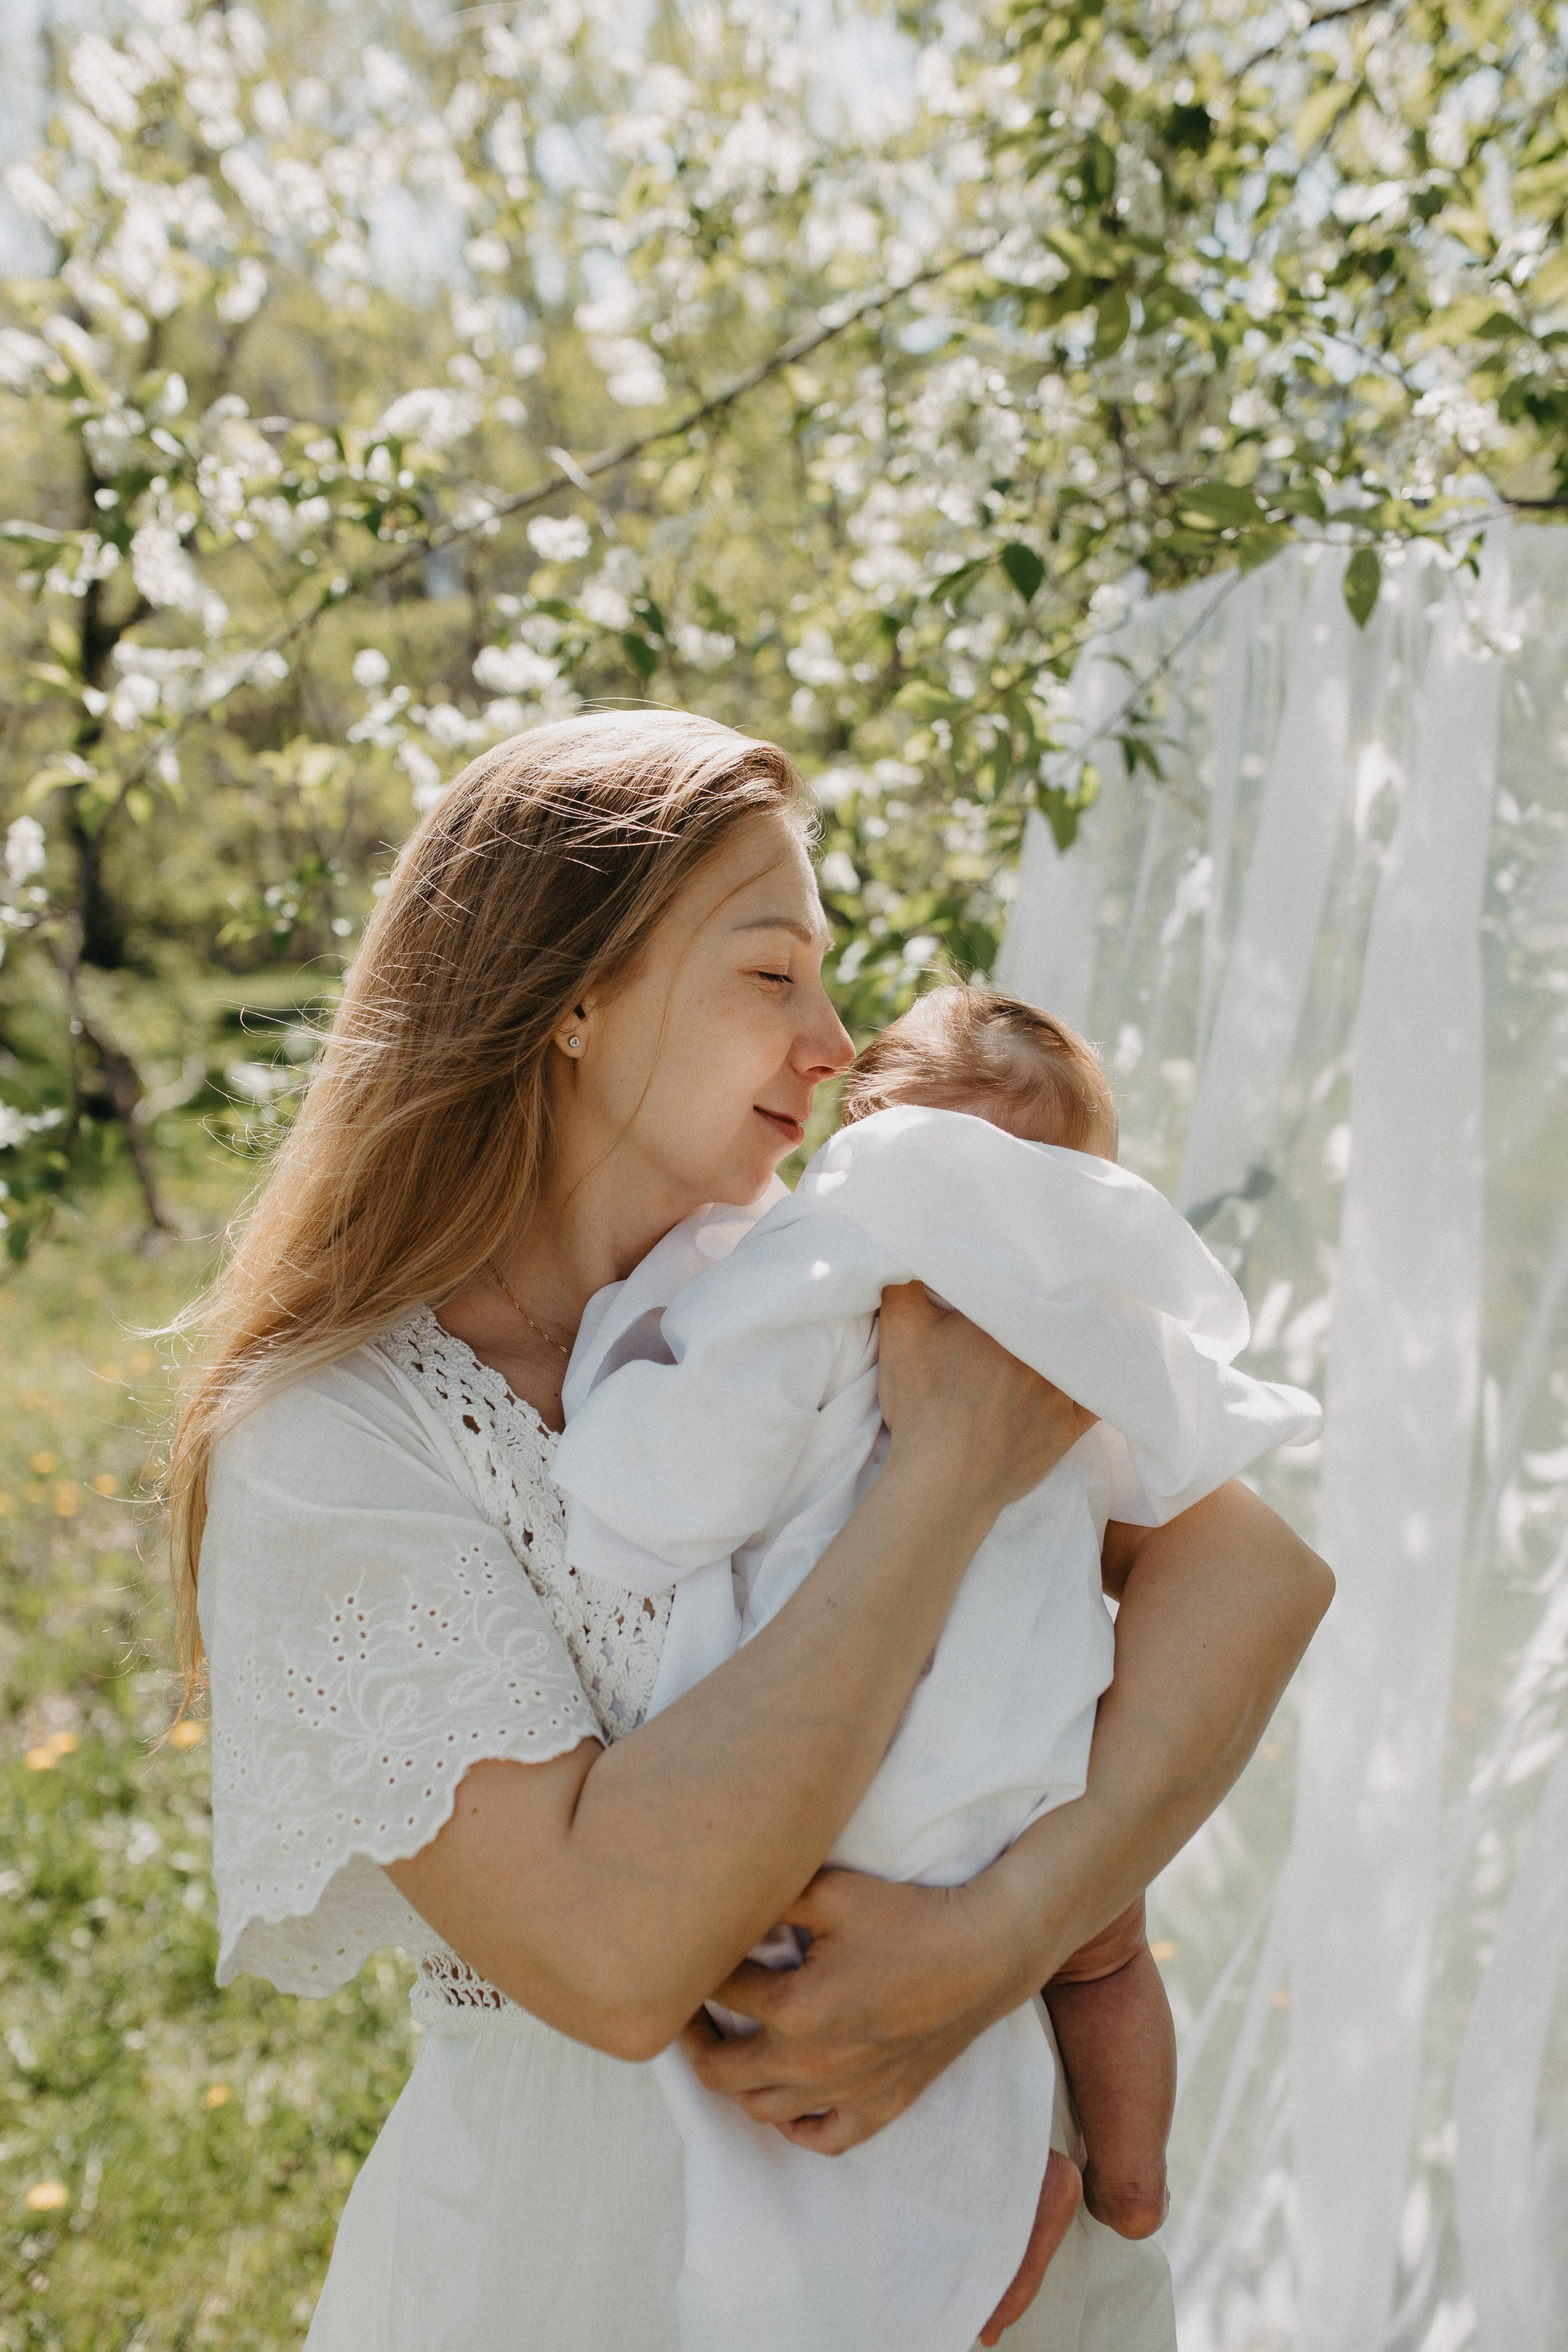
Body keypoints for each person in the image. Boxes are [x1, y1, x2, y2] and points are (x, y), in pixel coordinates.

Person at [172, 709, 1333, 2352]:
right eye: (771, 972)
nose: (835, 1043)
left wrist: (1004, 1932)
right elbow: (617, 1951)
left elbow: (1256, 1569)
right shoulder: (334, 1438)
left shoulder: (828, 1270)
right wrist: (947, 1472)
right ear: (573, 996)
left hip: (978, 2187)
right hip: (600, 2268)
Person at [550, 984, 1321, 2352]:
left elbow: (679, 1479)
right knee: (1100, 1961)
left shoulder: (818, 1280)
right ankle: (1120, 2183)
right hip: (1041, 1773)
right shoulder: (1076, 1337)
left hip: (860, 1783)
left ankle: (985, 2235)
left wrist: (610, 1452)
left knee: (808, 2043)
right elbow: (1191, 1462)